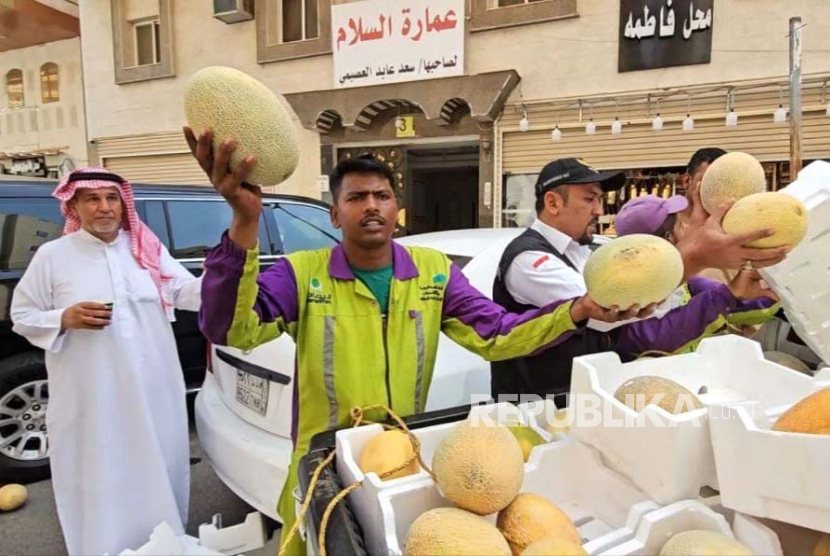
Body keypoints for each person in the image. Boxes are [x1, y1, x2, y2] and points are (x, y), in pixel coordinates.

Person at [183, 128, 641, 555]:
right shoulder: (302, 273)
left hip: (401, 459)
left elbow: (498, 334)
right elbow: (229, 328)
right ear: (335, 213)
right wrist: (245, 221)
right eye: (357, 197)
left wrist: (576, 311)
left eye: (382, 195)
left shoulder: (433, 272)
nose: (372, 206)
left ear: (395, 208)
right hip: (323, 465)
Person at [10, 168, 201, 555]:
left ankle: (162, 544)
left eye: (112, 198)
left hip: (153, 390)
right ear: (75, 205)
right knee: (99, 472)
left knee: (158, 463)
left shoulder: (144, 249)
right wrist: (63, 318)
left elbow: (186, 292)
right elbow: (23, 315)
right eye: (92, 199)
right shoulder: (53, 256)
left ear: (123, 203)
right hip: (91, 397)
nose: (104, 207)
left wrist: (226, 273)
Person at [491, 158, 789, 403]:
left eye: (599, 199)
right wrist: (698, 255)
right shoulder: (528, 261)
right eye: (589, 199)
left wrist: (698, 238)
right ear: (553, 203)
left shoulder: (592, 247)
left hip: (586, 398)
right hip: (538, 408)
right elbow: (612, 310)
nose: (599, 209)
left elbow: (654, 301)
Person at [615, 194, 779, 343]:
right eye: (680, 226)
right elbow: (662, 335)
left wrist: (778, 293)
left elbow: (737, 303)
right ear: (668, 239)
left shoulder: (689, 283)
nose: (686, 230)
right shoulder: (626, 300)